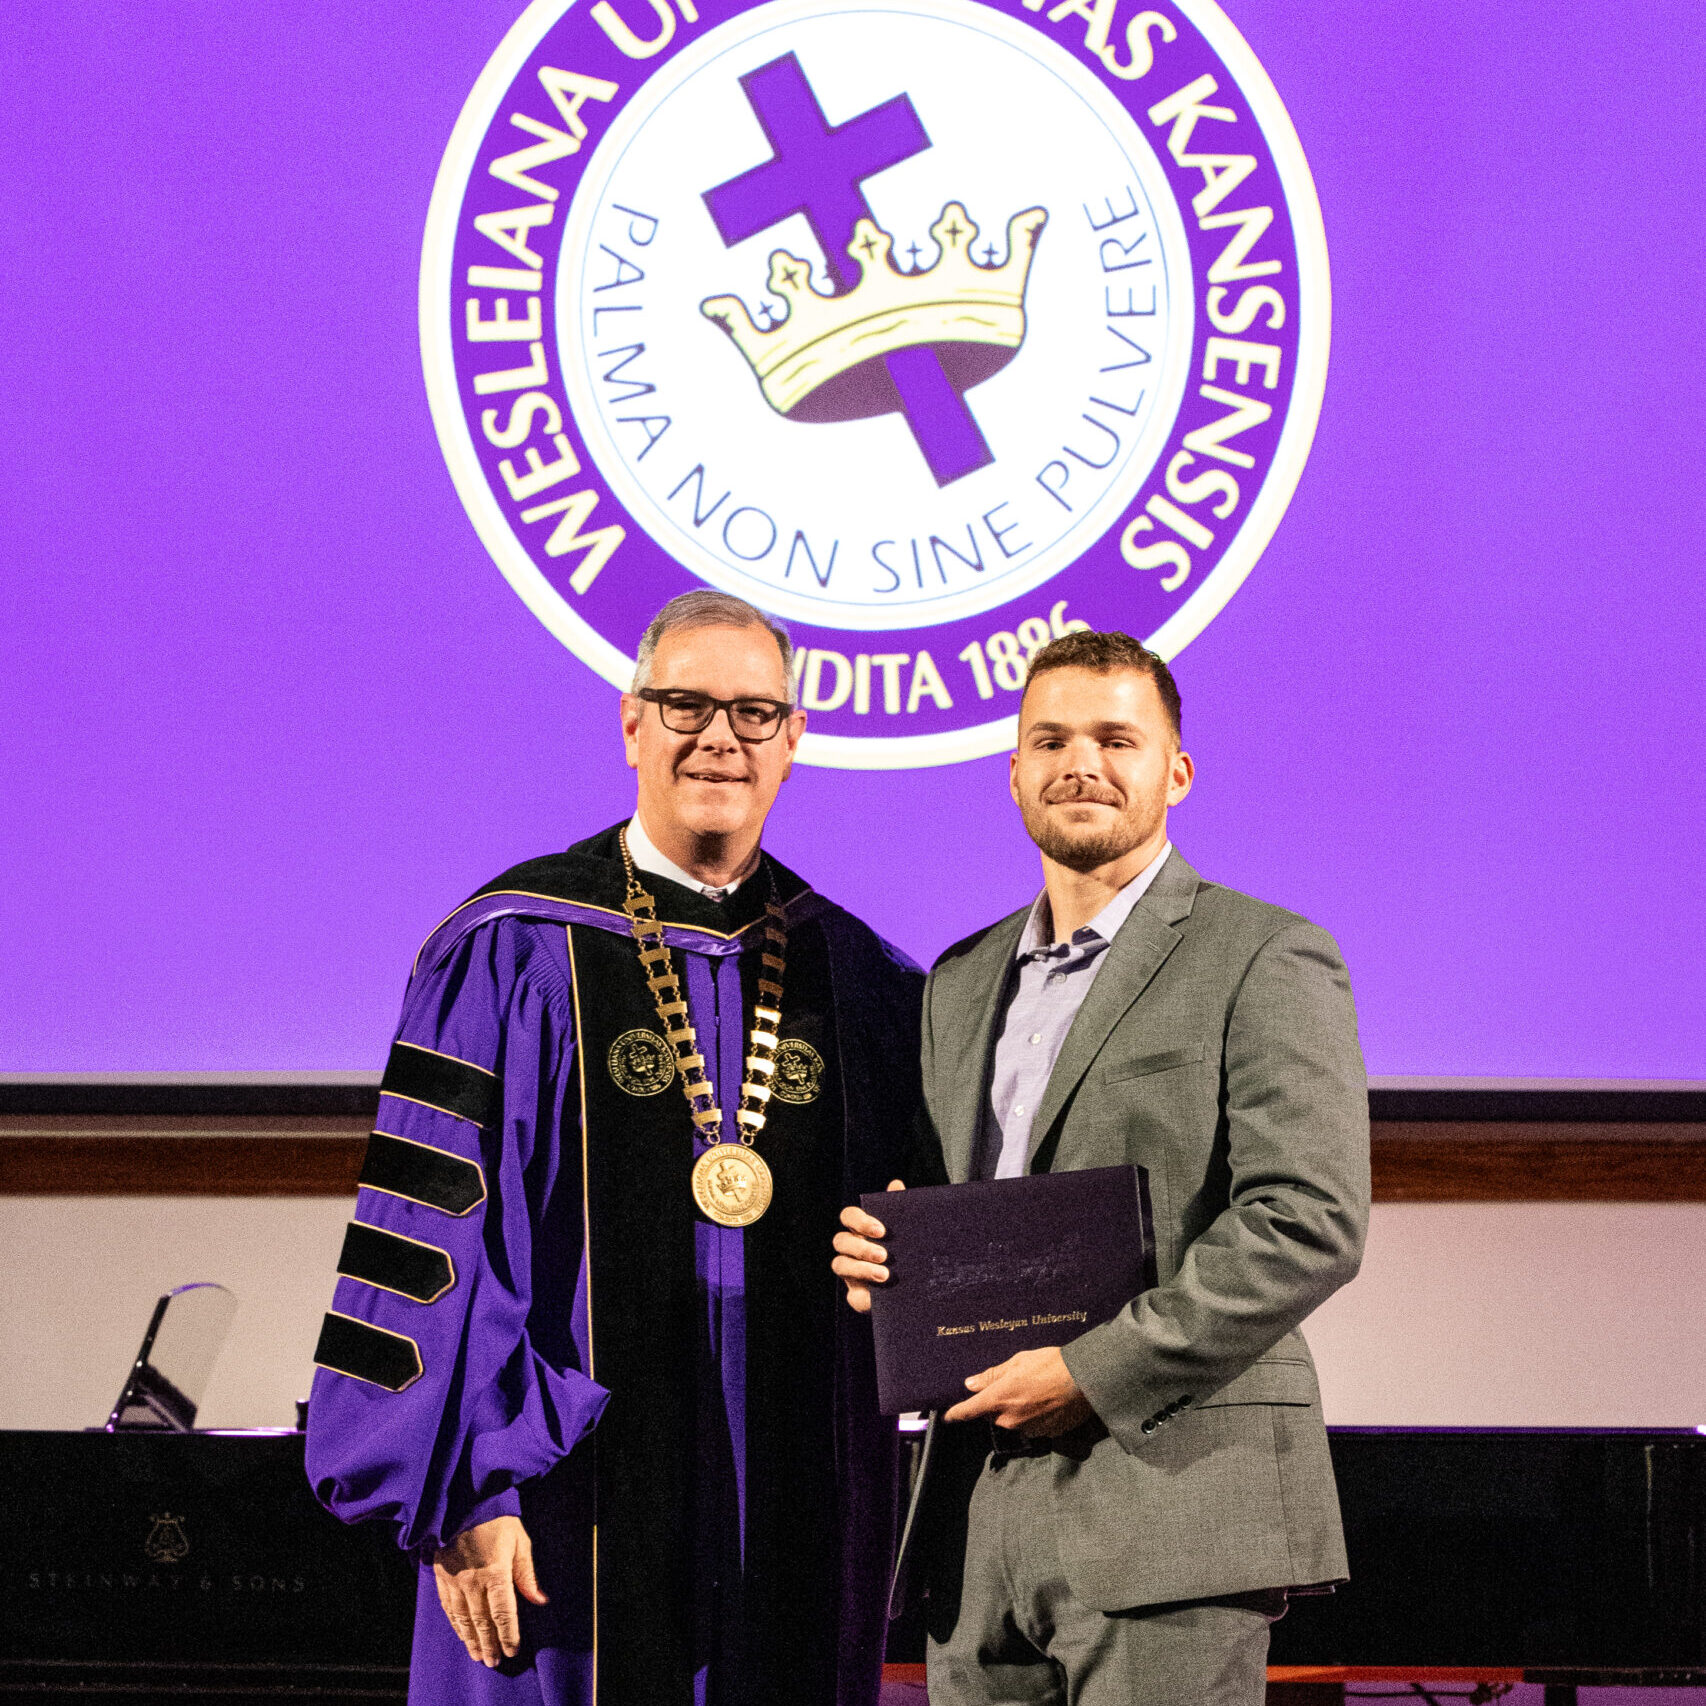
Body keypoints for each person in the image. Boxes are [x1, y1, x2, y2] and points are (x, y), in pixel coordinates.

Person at [307, 589, 922, 1706]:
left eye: (752, 712)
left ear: (793, 740)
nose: (719, 737)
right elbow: (433, 1237)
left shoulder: (862, 978)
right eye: (686, 705)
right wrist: (467, 1489)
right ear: (632, 723)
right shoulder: (513, 949)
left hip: (796, 1501)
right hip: (560, 1497)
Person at [834, 630, 1370, 1706]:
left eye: (1115, 739)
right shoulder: (958, 979)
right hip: (972, 1509)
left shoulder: (1264, 953)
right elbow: (940, 1207)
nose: (1080, 763)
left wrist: (1093, 1368)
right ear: (1014, 773)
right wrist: (885, 1259)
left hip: (1171, 1501)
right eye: (1050, 740)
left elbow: (1308, 1216)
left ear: (1176, 770)